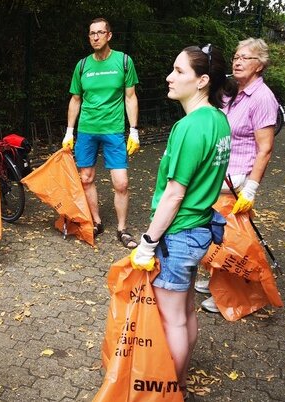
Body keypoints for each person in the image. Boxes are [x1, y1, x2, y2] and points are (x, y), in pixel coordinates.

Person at [130, 44, 231, 400]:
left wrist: (147, 242)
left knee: (172, 319)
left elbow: (174, 194)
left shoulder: (188, 127)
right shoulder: (219, 120)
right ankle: (182, 384)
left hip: (179, 234)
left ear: (203, 81)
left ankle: (168, 392)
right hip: (201, 229)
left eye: (179, 71)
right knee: (185, 313)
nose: (169, 77)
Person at [196, 38, 279, 313]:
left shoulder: (262, 98)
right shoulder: (233, 91)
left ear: (260, 65)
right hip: (221, 172)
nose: (238, 61)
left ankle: (231, 293)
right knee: (215, 229)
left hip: (238, 179)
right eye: (236, 56)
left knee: (229, 236)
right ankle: (218, 279)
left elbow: (265, 148)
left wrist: (251, 188)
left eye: (245, 58)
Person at [62, 17, 141, 248]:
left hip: (114, 130)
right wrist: (69, 131)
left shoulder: (124, 61)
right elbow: (75, 99)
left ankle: (122, 229)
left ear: (109, 35)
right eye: (91, 33)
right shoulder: (82, 65)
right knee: (86, 178)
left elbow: (130, 97)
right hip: (86, 130)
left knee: (121, 183)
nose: (95, 37)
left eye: (99, 33)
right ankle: (96, 222)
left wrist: (133, 130)